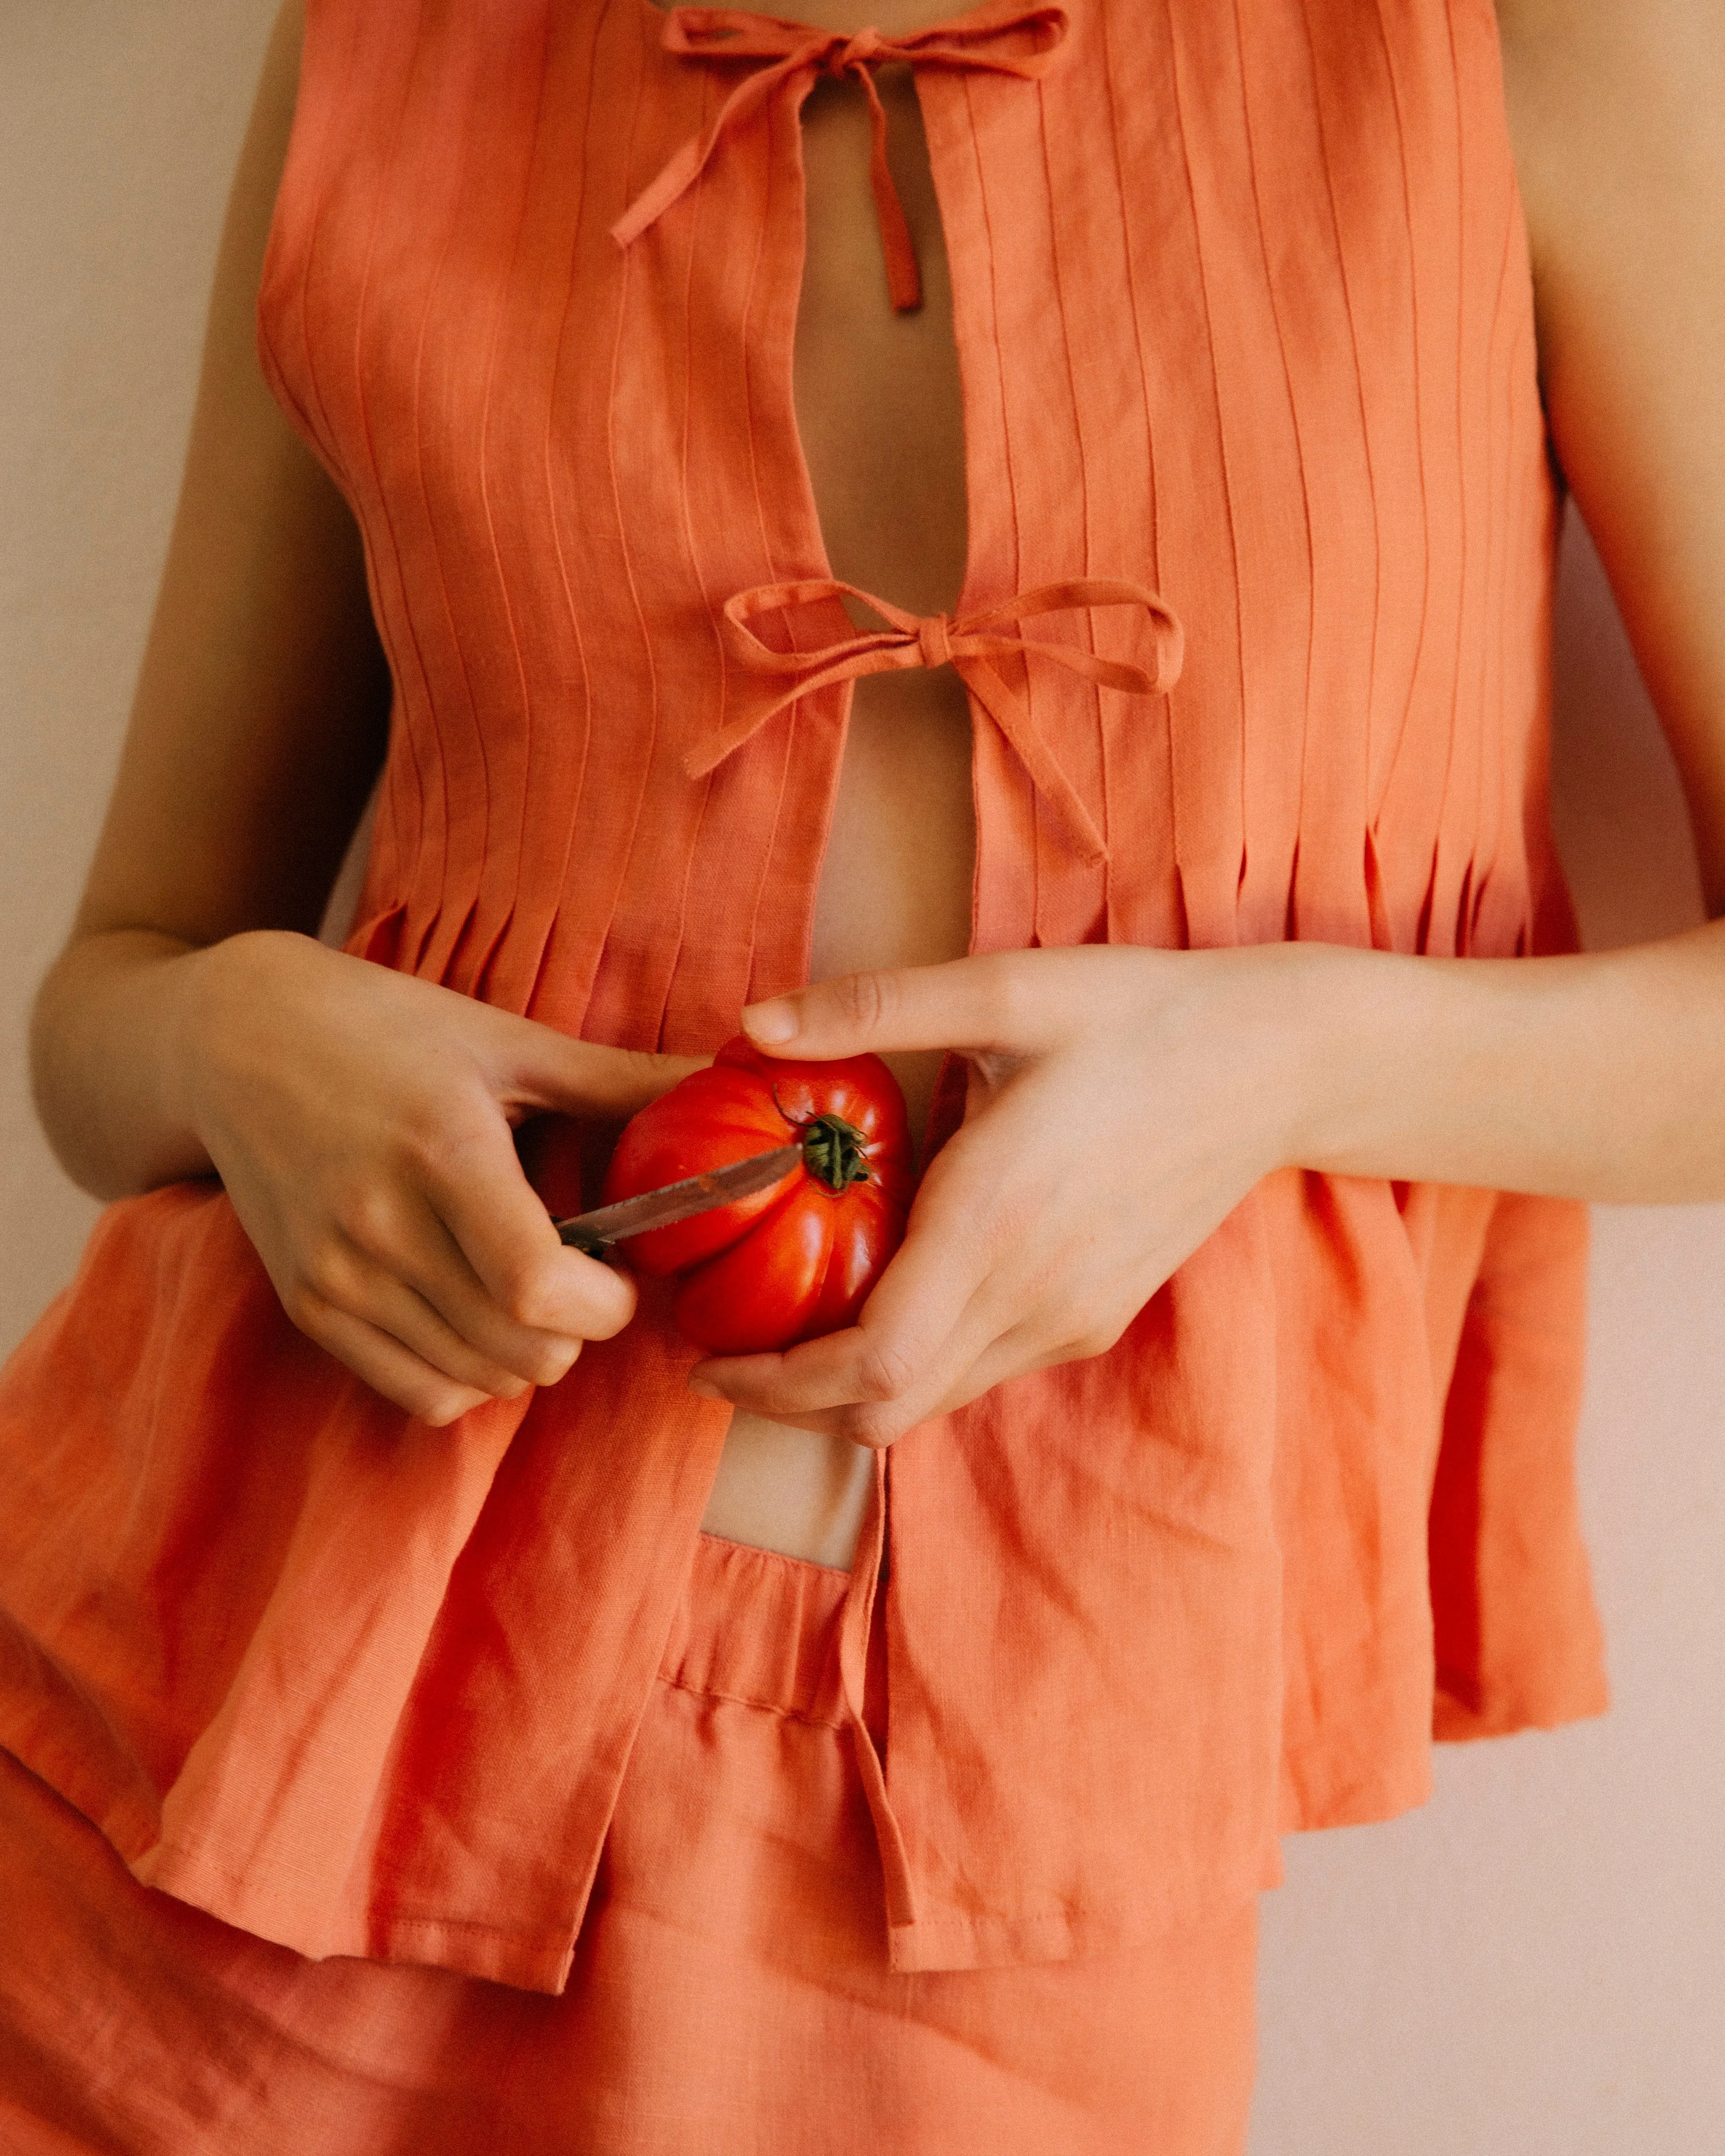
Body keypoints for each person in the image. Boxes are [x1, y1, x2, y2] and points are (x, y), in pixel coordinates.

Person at [0, 0, 1721, 2147]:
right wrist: (238, 1041)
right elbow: (110, 1006)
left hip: (990, 1844)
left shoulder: (1523, 41)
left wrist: (1266, 1063)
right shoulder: (392, 47)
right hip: (215, 1738)